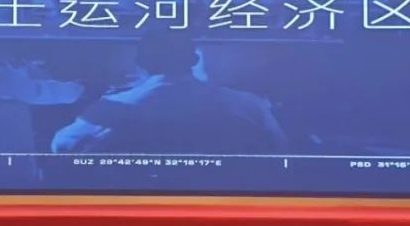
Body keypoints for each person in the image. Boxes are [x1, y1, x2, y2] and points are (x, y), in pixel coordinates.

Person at [52, 30, 287, 154]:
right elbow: (278, 151)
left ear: (141, 62)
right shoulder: (247, 106)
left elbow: (61, 147)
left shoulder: (110, 109)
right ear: (194, 60)